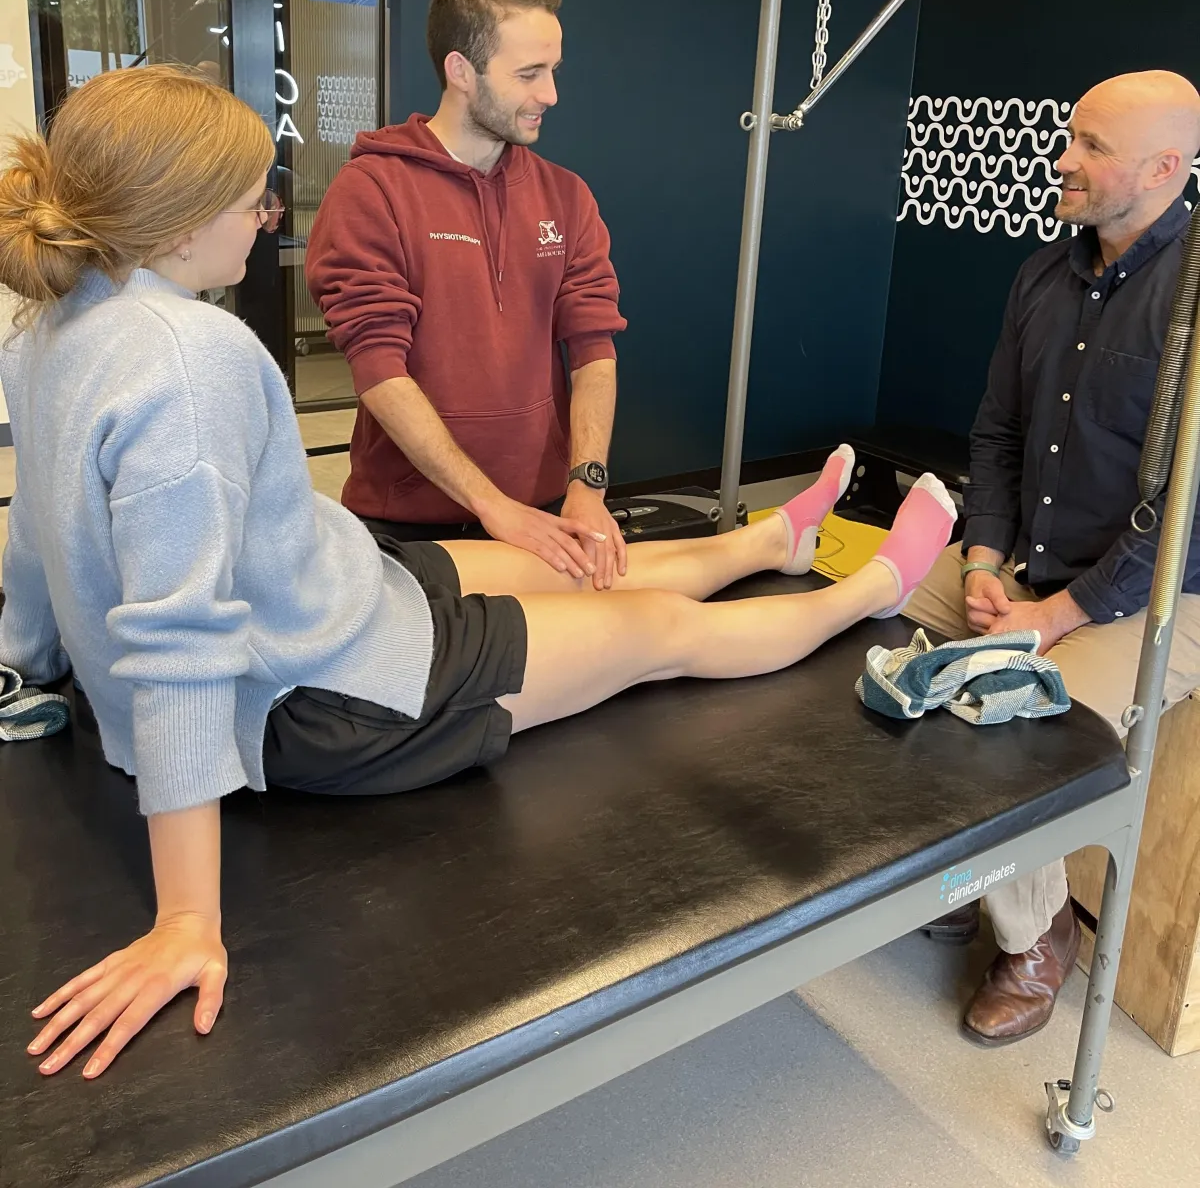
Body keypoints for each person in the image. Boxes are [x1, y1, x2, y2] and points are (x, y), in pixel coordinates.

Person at [0, 65, 957, 1082]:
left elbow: (36, 532)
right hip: (320, 690)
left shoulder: (51, 324)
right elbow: (179, 642)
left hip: (329, 584)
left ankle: (768, 547)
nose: (268, 218)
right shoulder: (190, 355)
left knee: (559, 557)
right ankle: (872, 591)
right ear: (182, 223)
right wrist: (187, 919)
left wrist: (22, 661)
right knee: (654, 631)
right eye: (253, 202)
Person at [907, 69, 1200, 1047]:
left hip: (1154, 593)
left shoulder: (1193, 300)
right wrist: (984, 560)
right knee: (873, 624)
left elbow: (1190, 514)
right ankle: (942, 869)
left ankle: (1039, 938)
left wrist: (1056, 615)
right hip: (1025, 563)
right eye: (1070, 135)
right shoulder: (1043, 274)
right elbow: (997, 432)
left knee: (1021, 727)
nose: (1062, 158)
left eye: (1091, 146)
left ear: (1163, 168)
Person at [307, 0, 628, 591]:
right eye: (529, 74)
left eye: (553, 71)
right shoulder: (373, 191)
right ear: (461, 71)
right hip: (408, 523)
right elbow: (380, 370)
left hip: (544, 510)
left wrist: (587, 485)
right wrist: (491, 506)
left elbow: (593, 348)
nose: (551, 95)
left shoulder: (567, 197)